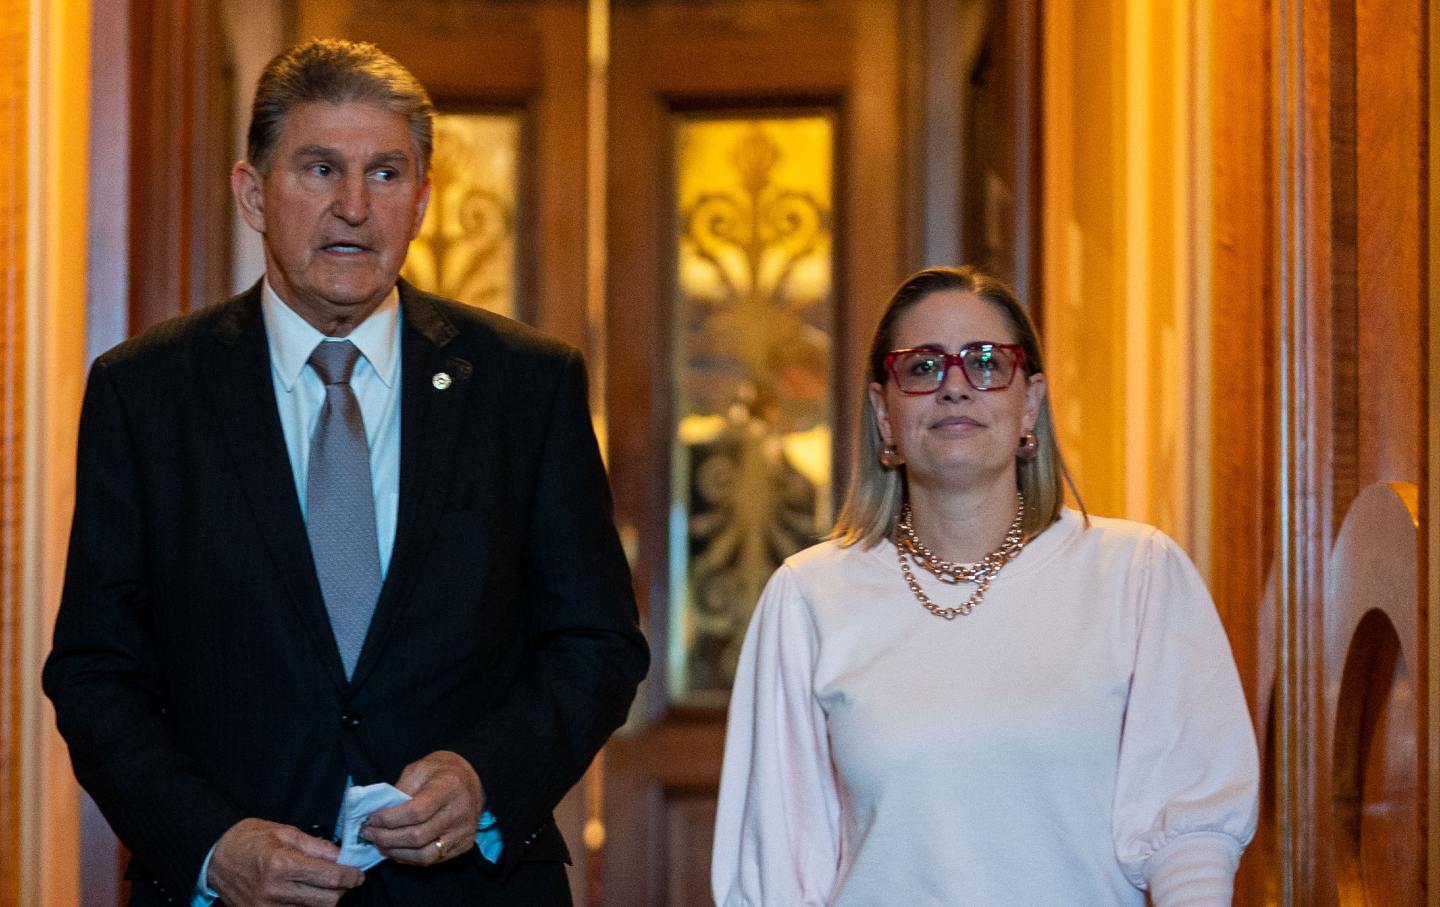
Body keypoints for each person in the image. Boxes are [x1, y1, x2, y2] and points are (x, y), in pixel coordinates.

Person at [44, 38, 648, 907]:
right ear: (252, 193)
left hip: (474, 889)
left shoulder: (526, 383)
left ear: (424, 200)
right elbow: (96, 672)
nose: (354, 207)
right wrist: (212, 843)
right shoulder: (146, 392)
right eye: (321, 169)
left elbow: (597, 643)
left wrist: (484, 779)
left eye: (387, 174)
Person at [711, 266, 1258, 906]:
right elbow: (776, 874)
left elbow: (1189, 840)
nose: (955, 388)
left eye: (987, 362)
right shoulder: (808, 598)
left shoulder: (1136, 575)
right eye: (922, 368)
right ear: (884, 414)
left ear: (1029, 402)